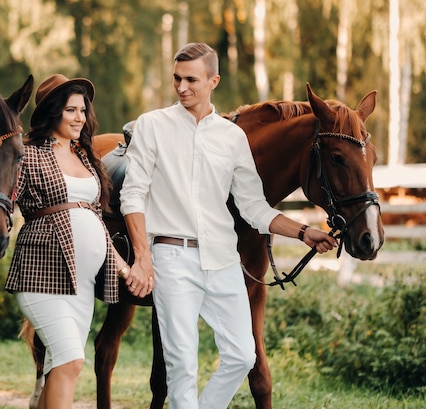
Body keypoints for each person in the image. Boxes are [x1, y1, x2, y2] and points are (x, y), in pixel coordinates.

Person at [119, 42, 337, 409]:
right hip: (172, 255)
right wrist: (143, 257)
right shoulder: (152, 126)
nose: (182, 87)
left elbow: (254, 207)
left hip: (223, 259)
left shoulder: (232, 137)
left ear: (213, 80)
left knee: (242, 354)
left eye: (192, 79)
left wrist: (303, 232)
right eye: (177, 78)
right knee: (182, 364)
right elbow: (133, 195)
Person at [5, 74, 130, 409]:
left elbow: (95, 217)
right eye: (71, 110)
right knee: (72, 360)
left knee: (59, 365)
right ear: (52, 113)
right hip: (41, 273)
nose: (80, 117)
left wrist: (120, 264)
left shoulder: (86, 156)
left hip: (82, 282)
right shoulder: (26, 154)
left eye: (83, 110)